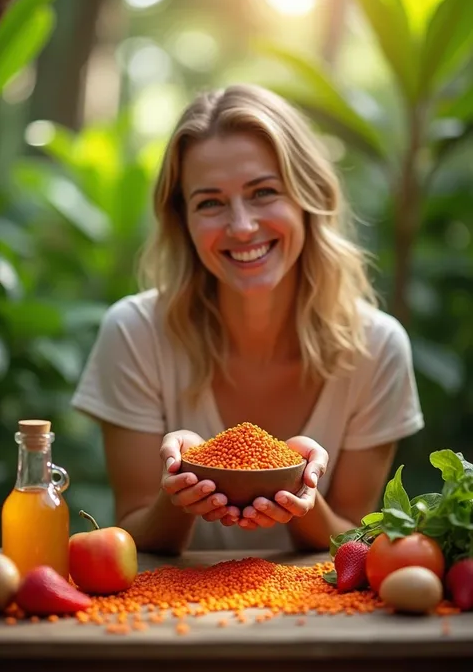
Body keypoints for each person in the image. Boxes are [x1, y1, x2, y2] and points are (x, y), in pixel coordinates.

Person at [71, 83, 424, 554]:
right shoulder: (134, 333)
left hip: (316, 619)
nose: (241, 226)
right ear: (184, 221)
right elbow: (133, 534)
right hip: (177, 617)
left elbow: (355, 542)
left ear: (308, 197)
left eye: (263, 192)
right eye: (210, 203)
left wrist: (300, 492)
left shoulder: (377, 347)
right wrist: (185, 484)